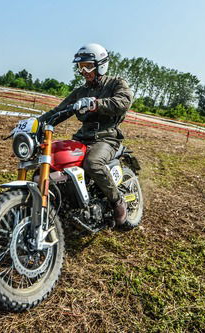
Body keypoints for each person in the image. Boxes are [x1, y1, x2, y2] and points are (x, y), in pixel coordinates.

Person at [39, 43, 133, 226]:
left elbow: (124, 101)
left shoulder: (116, 83)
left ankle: (117, 202)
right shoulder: (80, 92)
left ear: (101, 65)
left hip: (107, 137)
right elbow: (59, 111)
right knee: (56, 160)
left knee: (93, 163)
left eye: (88, 66)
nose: (84, 71)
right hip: (82, 137)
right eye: (81, 67)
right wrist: (36, 123)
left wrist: (97, 103)